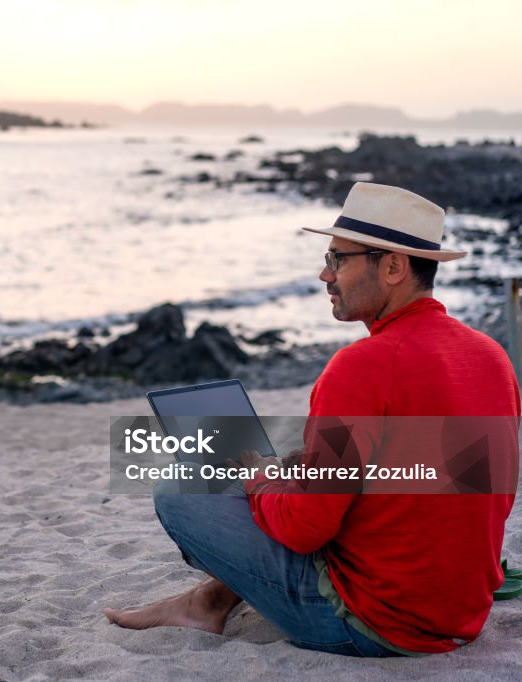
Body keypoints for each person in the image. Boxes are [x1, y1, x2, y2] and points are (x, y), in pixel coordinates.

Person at [104, 182, 521, 656]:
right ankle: (207, 602)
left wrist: (261, 481)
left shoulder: (362, 366)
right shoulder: (492, 357)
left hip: (376, 625)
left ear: (392, 267)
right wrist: (306, 470)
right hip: (459, 615)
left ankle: (208, 599)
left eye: (337, 259)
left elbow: (306, 530)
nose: (325, 274)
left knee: (181, 487)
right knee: (292, 477)